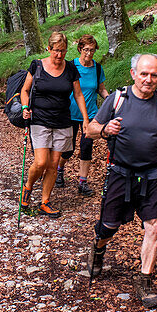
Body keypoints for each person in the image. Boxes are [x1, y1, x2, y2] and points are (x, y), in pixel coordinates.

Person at [85, 53, 157, 308]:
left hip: (155, 174)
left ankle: (144, 279)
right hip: (120, 173)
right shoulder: (117, 100)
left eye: (154, 75)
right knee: (109, 225)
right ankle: (98, 249)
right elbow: (89, 130)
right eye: (144, 73)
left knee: (154, 226)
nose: (148, 79)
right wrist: (105, 130)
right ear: (133, 73)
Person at [19, 32, 92, 218]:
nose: (59, 55)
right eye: (56, 51)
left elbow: (78, 95)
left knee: (53, 165)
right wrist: (25, 107)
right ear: (49, 49)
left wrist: (85, 119)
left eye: (63, 51)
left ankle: (45, 202)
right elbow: (25, 90)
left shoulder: (70, 69)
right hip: (40, 120)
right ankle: (28, 187)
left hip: (62, 121)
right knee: (41, 162)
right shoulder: (37, 66)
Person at [56, 34, 108, 196]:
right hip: (70, 113)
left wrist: (111, 99)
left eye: (92, 50)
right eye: (86, 50)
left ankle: (82, 182)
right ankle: (59, 169)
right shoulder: (71, 66)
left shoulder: (97, 68)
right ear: (80, 49)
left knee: (87, 147)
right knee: (68, 149)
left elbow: (101, 89)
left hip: (91, 114)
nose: (89, 53)